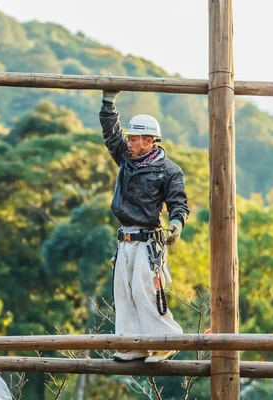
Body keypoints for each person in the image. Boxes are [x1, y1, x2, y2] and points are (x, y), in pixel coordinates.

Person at [99, 90, 190, 363]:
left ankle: (166, 341)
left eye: (135, 138)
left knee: (145, 291)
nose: (129, 142)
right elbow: (110, 133)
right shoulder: (126, 158)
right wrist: (108, 102)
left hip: (149, 241)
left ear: (150, 141)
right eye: (130, 138)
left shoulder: (169, 170)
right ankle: (132, 345)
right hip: (125, 238)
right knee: (124, 292)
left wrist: (176, 224)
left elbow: (179, 203)